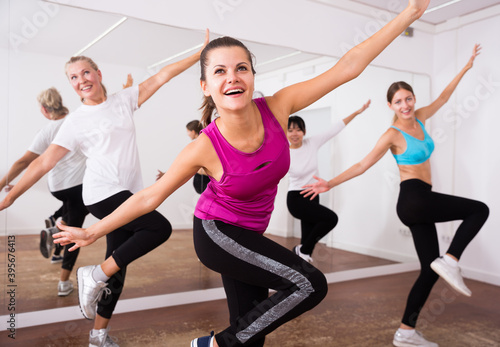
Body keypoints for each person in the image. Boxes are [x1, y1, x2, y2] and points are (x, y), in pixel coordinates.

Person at [51, 2, 430, 346]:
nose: (232, 77)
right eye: (220, 71)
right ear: (206, 86)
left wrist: (408, 14)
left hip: (250, 234)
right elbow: (151, 196)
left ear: (251, 76)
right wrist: (93, 231)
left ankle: (225, 343)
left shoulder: (278, 108)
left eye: (241, 68)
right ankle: (212, 345)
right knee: (308, 283)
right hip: (217, 233)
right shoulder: (205, 146)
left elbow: (348, 66)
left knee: (253, 329)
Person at [0, 30, 209, 347]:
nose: (81, 79)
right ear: (71, 85)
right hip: (102, 194)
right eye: (73, 77)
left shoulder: (124, 100)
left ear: (98, 74)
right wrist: (10, 196)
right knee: (159, 228)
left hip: (127, 193)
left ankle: (98, 334)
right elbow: (42, 163)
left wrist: (199, 54)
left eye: (86, 72)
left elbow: (163, 75)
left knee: (118, 265)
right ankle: (92, 275)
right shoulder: (75, 122)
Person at [302, 44, 488, 347]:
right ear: (390, 105)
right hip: (414, 198)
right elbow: (363, 164)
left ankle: (406, 332)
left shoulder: (421, 119)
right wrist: (330, 183)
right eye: (398, 101)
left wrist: (465, 69)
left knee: (429, 271)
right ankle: (452, 259)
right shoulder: (392, 134)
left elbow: (443, 98)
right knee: (479, 209)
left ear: (414, 99)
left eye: (409, 98)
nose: (405, 105)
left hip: (421, 201)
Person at [0, 87, 89, 295]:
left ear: (43, 109)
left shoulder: (47, 131)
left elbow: (23, 162)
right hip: (79, 187)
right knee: (76, 234)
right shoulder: (77, 120)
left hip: (57, 187)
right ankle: (63, 283)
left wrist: (6, 183)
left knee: (72, 210)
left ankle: (55, 228)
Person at [287, 100, 370, 263]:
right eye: (290, 130)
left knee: (307, 238)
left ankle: (302, 265)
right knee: (330, 219)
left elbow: (334, 129)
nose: (294, 134)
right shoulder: (283, 152)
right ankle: (302, 250)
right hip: (296, 198)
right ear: (285, 132)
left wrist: (356, 113)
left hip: (313, 194)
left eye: (298, 129)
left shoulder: (311, 143)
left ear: (304, 131)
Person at [156, 119, 210, 193]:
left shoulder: (198, 145)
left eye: (188, 131)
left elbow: (183, 165)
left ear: (193, 132)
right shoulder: (201, 144)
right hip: (204, 183)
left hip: (206, 183)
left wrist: (166, 175)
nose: (187, 134)